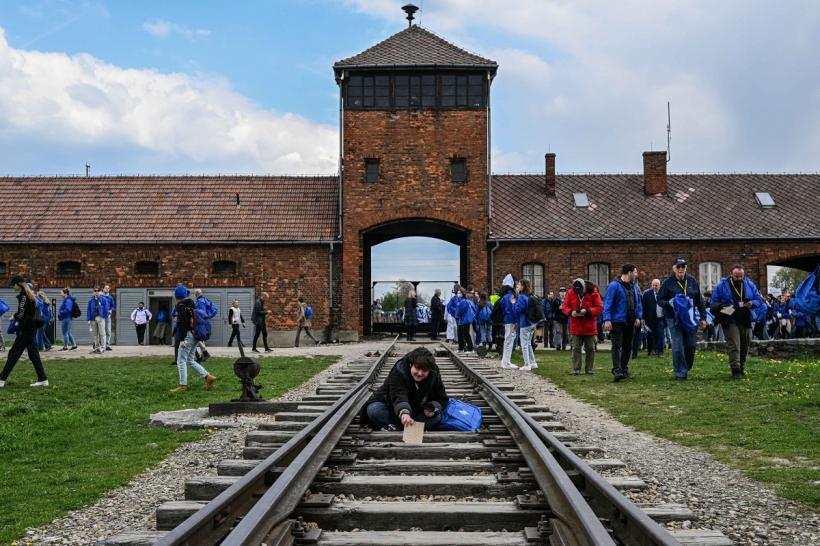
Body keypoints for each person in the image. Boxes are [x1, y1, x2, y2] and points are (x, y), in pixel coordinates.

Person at [361, 347, 447, 431]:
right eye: (417, 368)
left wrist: (432, 408)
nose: (420, 373)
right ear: (411, 365)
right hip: (392, 406)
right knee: (374, 409)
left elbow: (441, 397)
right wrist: (404, 413)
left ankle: (398, 427)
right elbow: (398, 395)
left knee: (436, 417)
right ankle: (408, 428)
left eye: (424, 371)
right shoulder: (399, 371)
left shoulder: (434, 373)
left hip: (417, 409)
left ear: (429, 370)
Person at [657, 258, 707, 381]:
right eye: (678, 267)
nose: (681, 269)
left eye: (683, 266)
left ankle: (686, 367)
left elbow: (699, 300)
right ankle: (680, 373)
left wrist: (703, 317)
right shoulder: (667, 283)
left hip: (690, 318)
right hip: (673, 318)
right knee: (678, 345)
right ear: (673, 268)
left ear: (686, 268)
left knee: (691, 345)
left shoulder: (692, 281)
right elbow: (659, 299)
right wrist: (669, 303)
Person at [710, 265, 764, 379]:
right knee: (734, 345)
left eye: (741, 276)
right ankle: (736, 370)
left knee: (745, 345)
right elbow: (713, 303)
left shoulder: (749, 284)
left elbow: (759, 300)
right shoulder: (721, 286)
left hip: (746, 318)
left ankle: (741, 367)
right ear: (731, 274)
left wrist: (752, 303)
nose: (739, 279)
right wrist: (724, 306)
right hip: (729, 318)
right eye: (736, 276)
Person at [0, 276, 49, 388]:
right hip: (31, 329)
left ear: (18, 284)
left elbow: (21, 313)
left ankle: (2, 379)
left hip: (26, 329)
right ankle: (43, 379)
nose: (12, 287)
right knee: (33, 354)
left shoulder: (23, 296)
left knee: (14, 353)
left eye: (13, 285)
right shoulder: (30, 294)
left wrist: (14, 316)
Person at [171, 284, 216, 393]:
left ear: (177, 296)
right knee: (190, 360)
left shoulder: (180, 306)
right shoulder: (192, 303)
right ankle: (208, 377)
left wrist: (182, 339)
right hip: (195, 334)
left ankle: (183, 385)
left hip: (187, 335)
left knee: (181, 360)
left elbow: (182, 323)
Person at [603, 264, 643, 382]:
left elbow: (638, 303)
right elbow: (608, 302)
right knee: (617, 346)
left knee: (628, 346)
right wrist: (607, 319)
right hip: (617, 321)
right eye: (635, 272)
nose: (636, 274)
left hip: (630, 321)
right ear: (629, 273)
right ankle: (617, 370)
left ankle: (624, 369)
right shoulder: (614, 286)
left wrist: (638, 317)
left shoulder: (634, 286)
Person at [563, 278, 603, 375]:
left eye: (581, 290)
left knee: (590, 348)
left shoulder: (594, 293)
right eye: (576, 290)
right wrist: (571, 312)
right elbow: (565, 306)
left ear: (584, 286)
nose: (579, 292)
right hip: (575, 326)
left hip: (589, 326)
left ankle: (589, 369)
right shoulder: (570, 292)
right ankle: (576, 369)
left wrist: (587, 311)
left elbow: (599, 308)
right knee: (575, 348)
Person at [513, 279, 539, 371]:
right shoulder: (531, 296)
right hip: (532, 323)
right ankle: (533, 363)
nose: (517, 286)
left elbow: (518, 310)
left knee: (524, 344)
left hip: (525, 323)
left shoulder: (521, 297)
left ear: (523, 287)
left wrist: (514, 303)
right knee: (528, 344)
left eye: (519, 285)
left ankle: (527, 364)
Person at [498, 274, 519, 369]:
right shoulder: (511, 295)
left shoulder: (504, 296)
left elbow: (503, 308)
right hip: (511, 320)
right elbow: (513, 309)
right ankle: (506, 362)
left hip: (507, 320)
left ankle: (505, 361)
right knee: (509, 341)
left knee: (508, 340)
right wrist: (516, 321)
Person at [642, 279, 665, 357]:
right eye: (653, 285)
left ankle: (660, 352)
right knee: (650, 336)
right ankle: (651, 350)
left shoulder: (663, 293)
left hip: (660, 318)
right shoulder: (647, 294)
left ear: (660, 286)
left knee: (661, 335)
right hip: (650, 319)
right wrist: (643, 318)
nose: (654, 287)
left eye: (656, 285)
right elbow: (643, 306)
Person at [86, 286, 109, 354]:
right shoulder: (91, 300)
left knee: (102, 333)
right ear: (93, 292)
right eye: (95, 291)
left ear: (100, 292)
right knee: (95, 334)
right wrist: (88, 319)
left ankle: (103, 347)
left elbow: (106, 308)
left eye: (98, 291)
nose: (96, 292)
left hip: (100, 317)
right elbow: (88, 310)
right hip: (93, 318)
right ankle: (96, 347)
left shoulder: (103, 299)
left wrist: (104, 316)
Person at [454, 287, 476, 353]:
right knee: (460, 334)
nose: (458, 294)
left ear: (462, 293)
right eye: (458, 293)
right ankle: (461, 348)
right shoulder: (463, 301)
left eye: (459, 293)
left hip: (464, 320)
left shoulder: (463, 301)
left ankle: (471, 349)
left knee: (465, 334)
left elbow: (460, 311)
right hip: (463, 320)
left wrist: (457, 315)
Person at [102, 284, 115, 351]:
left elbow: (112, 306)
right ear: (103, 289)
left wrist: (111, 310)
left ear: (109, 290)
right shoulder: (100, 297)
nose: (107, 289)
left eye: (108, 288)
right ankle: (99, 344)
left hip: (107, 316)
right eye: (105, 288)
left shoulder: (110, 297)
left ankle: (107, 345)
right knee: (101, 331)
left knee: (108, 331)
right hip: (101, 316)